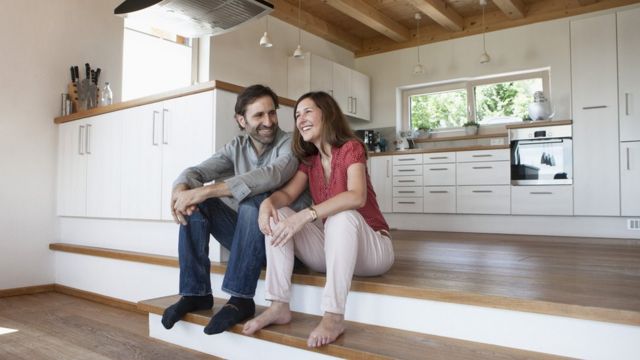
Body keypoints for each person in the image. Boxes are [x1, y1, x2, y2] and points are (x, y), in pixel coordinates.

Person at [242, 91, 395, 347]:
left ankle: (334, 315)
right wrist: (267, 204)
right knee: (278, 214)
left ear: (327, 113)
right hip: (334, 251)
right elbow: (288, 194)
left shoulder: (351, 148)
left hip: (373, 252)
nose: (300, 118)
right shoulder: (310, 161)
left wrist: (308, 214)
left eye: (308, 111)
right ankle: (279, 304)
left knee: (342, 215)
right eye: (297, 115)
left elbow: (356, 196)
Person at [161, 84, 310, 335]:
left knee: (255, 200)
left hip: (285, 248)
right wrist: (181, 190)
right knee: (198, 206)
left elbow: (270, 176)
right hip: (250, 242)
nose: (269, 121)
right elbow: (196, 171)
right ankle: (195, 293)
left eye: (272, 113)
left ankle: (240, 300)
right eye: (259, 115)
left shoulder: (290, 143)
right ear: (241, 120)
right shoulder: (237, 147)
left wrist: (206, 190)